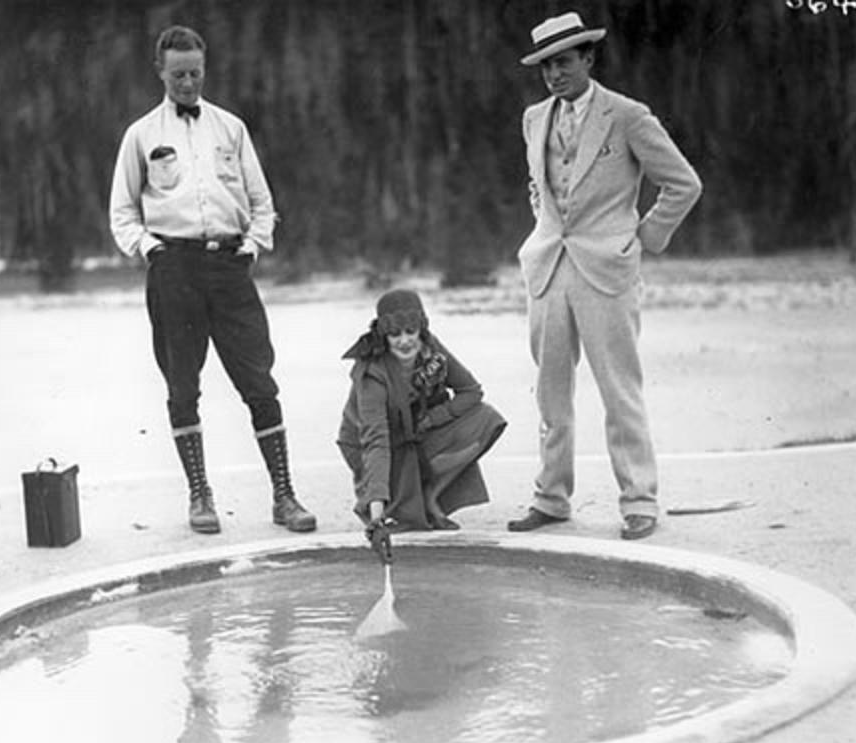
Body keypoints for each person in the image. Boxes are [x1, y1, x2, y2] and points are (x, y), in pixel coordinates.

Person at [109, 25, 315, 535]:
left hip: (228, 266)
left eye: (195, 73)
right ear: (160, 71)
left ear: (205, 69)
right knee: (183, 385)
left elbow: (263, 204)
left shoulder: (231, 129)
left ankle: (284, 495)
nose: (187, 83)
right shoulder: (141, 135)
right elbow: (122, 214)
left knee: (259, 381)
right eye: (178, 74)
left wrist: (252, 245)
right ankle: (200, 496)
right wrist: (150, 249)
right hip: (173, 270)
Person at [508, 12, 702, 541]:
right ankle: (551, 498)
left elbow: (683, 184)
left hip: (608, 268)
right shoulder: (534, 118)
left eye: (564, 62)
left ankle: (639, 501)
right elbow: (539, 185)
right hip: (548, 267)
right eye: (546, 65)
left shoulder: (628, 115)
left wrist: (641, 237)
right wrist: (544, 226)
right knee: (550, 394)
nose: (554, 74)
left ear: (588, 58)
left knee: (620, 389)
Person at [337, 289, 507, 556]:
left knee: (485, 418)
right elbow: (375, 443)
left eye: (411, 331)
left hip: (415, 430)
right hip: (372, 444)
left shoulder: (431, 349)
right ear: (383, 335)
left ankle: (431, 497)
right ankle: (395, 506)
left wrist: (432, 419)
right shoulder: (372, 374)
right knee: (406, 517)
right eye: (395, 334)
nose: (405, 341)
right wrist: (377, 517)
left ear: (421, 329)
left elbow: (471, 391)